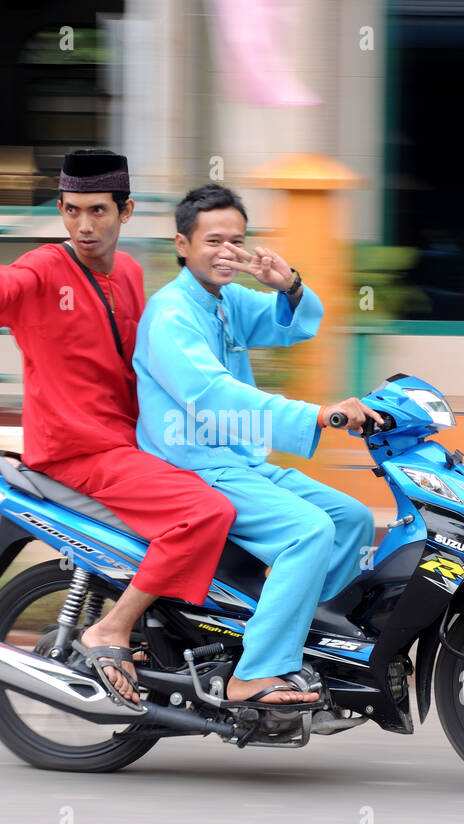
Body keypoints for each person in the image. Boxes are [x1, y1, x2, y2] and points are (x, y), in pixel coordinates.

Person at [0, 150, 236, 709]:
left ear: (126, 211)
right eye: (72, 211)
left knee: (236, 492)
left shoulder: (132, 273)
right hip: (76, 452)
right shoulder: (44, 268)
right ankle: (112, 629)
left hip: (132, 444)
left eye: (98, 211)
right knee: (205, 513)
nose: (84, 226)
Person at [133, 184, 382, 707]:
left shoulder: (223, 302)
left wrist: (288, 284)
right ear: (182, 244)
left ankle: (304, 641)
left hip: (239, 463)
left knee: (352, 519)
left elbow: (290, 326)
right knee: (308, 532)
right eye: (213, 240)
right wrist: (318, 414)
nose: (227, 252)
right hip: (194, 465)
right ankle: (254, 673)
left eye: (237, 241)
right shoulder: (172, 314)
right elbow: (214, 396)